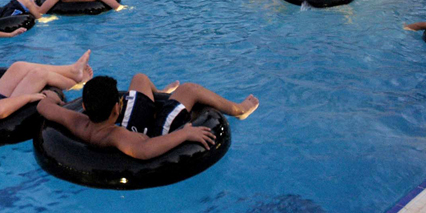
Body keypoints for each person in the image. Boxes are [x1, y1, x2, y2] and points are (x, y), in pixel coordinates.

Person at [37, 72, 259, 160]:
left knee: (139, 79)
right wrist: (184, 134)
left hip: (130, 125)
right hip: (155, 135)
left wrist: (53, 97)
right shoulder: (115, 137)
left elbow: (44, 108)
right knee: (190, 89)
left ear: (84, 105)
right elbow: (145, 150)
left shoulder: (78, 121)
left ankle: (162, 94)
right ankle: (238, 110)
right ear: (117, 107)